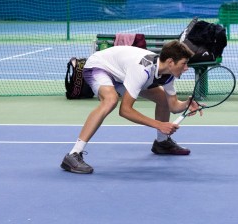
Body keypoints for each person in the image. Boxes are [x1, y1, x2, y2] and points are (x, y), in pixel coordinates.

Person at [61, 40, 200, 174]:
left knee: (163, 98)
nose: (186, 68)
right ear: (170, 62)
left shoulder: (168, 75)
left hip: (121, 75)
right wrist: (159, 124)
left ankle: (162, 142)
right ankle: (74, 154)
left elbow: (173, 106)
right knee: (110, 100)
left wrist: (187, 104)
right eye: (184, 63)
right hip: (100, 66)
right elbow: (125, 110)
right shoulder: (142, 70)